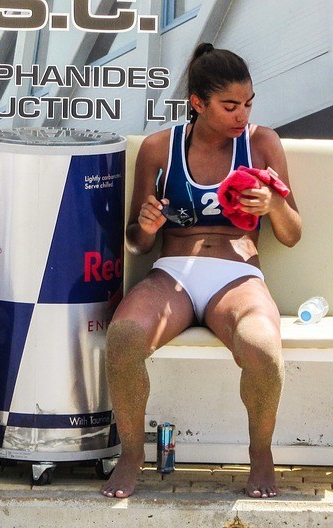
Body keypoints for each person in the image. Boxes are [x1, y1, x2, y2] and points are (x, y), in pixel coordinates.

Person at [100, 43, 301, 499]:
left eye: (248, 103)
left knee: (264, 351)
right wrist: (146, 226)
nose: (241, 115)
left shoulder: (261, 143)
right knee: (125, 336)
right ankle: (132, 452)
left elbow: (291, 234)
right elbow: (134, 240)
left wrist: (275, 206)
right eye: (230, 106)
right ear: (197, 103)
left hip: (237, 274)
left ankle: (261, 451)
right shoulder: (158, 147)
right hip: (172, 272)